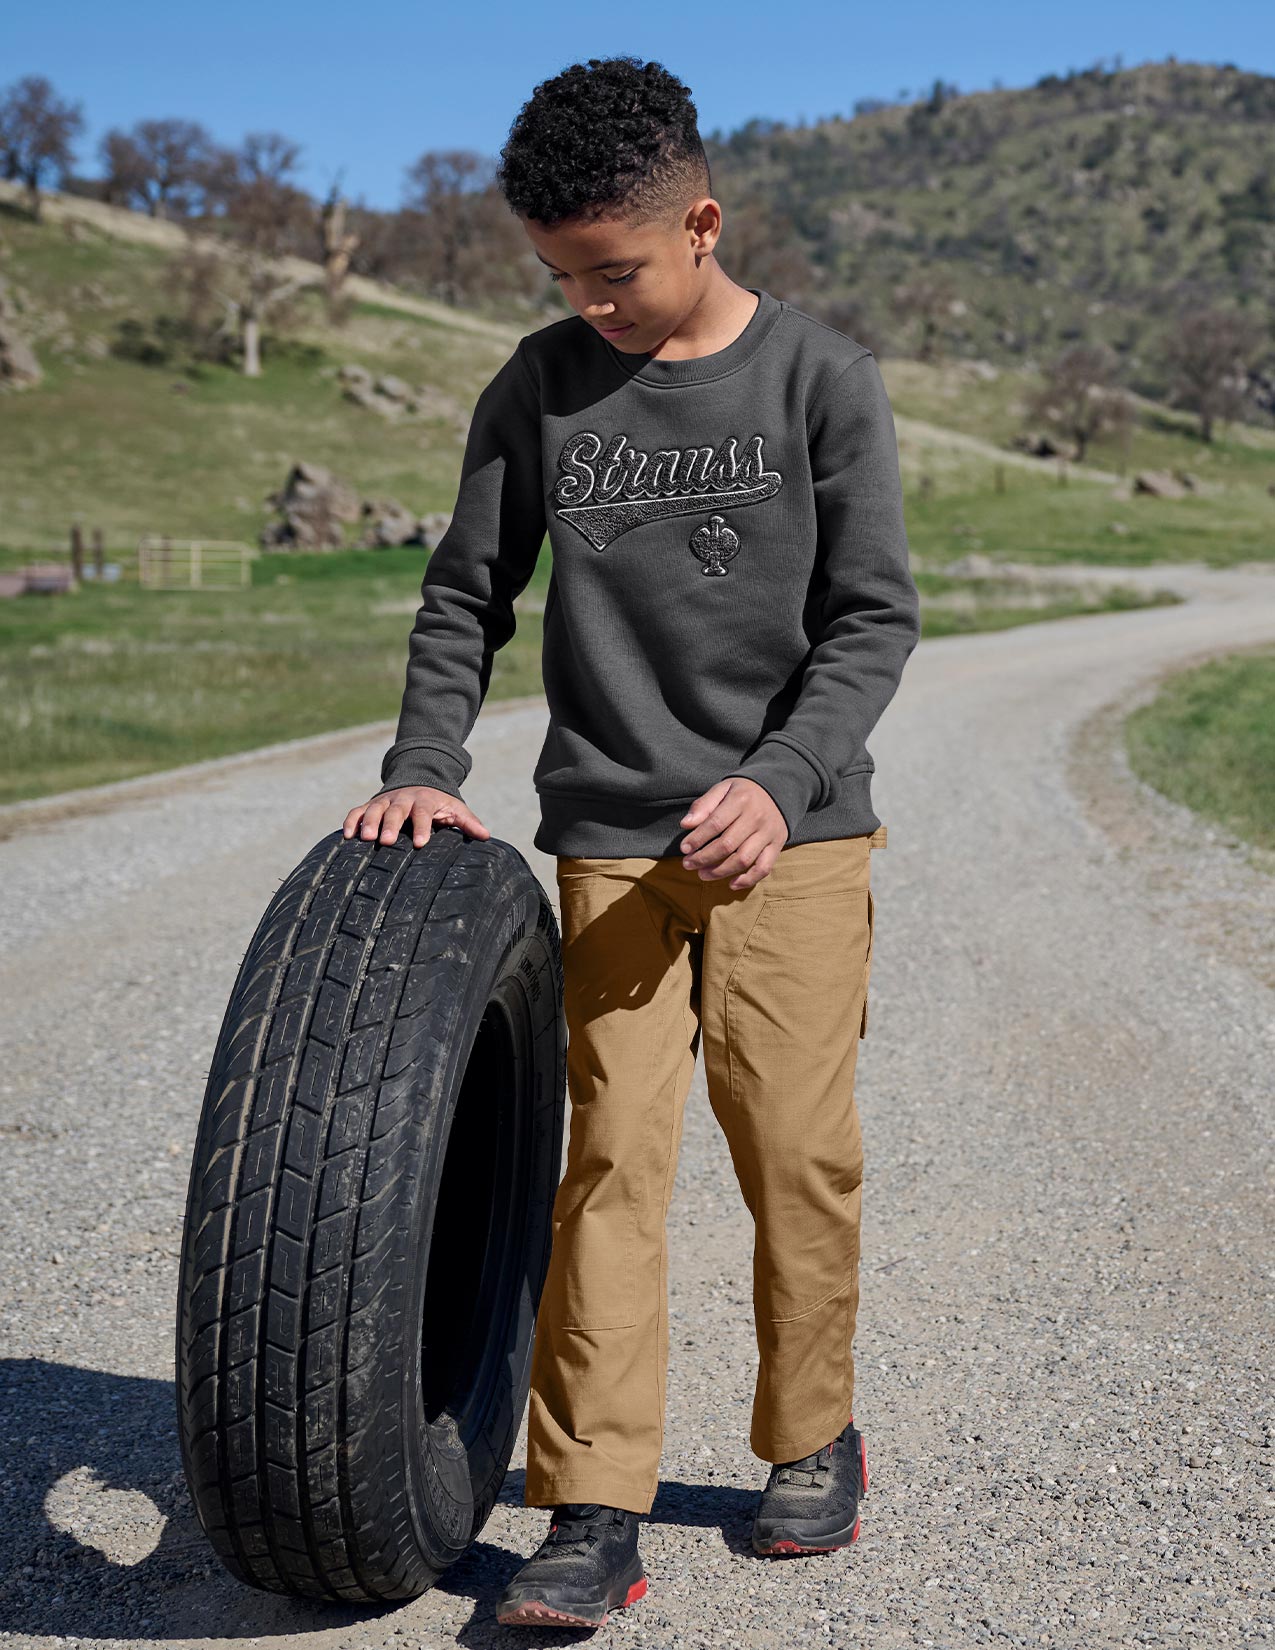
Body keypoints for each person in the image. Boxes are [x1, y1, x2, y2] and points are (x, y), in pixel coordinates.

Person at [342, 54, 920, 1631]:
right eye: (558, 276)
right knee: (608, 1162)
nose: (588, 304)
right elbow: (467, 592)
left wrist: (784, 778)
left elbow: (874, 618)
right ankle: (589, 1499)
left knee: (792, 1149)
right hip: (609, 837)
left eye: (615, 273)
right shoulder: (536, 389)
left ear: (705, 224)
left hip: (792, 842)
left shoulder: (821, 378)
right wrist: (423, 764)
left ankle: (811, 1438)